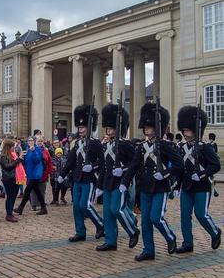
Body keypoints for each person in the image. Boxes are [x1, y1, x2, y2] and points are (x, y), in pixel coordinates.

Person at [120, 102, 183, 261]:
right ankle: (148, 250)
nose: (146, 128)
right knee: (146, 221)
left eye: (149, 126)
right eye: (145, 126)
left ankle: (170, 237)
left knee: (156, 217)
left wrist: (165, 174)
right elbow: (134, 166)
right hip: (145, 187)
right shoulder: (141, 147)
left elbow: (179, 165)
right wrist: (124, 182)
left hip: (160, 187)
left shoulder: (166, 146)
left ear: (157, 127)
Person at [176, 106, 221, 253]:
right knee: (184, 216)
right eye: (184, 130)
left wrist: (202, 174)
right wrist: (177, 186)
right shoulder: (181, 148)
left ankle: (215, 232)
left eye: (188, 130)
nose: (185, 132)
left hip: (202, 186)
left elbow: (215, 165)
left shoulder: (205, 147)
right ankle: (187, 243)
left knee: (201, 215)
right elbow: (180, 169)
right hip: (187, 186)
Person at [95, 103, 139, 252]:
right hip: (108, 182)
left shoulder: (125, 145)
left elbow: (135, 163)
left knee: (116, 209)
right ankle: (110, 241)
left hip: (120, 182)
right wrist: (99, 186)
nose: (108, 130)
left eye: (111, 128)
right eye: (107, 128)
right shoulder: (106, 146)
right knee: (107, 213)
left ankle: (133, 230)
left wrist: (124, 170)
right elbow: (104, 167)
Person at [58, 105, 104, 242]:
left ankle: (100, 225)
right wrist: (62, 174)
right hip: (77, 178)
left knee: (85, 205)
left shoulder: (95, 143)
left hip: (89, 179)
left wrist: (93, 166)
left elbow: (102, 162)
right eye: (79, 128)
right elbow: (71, 161)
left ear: (89, 128)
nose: (81, 130)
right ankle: (80, 232)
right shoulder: (77, 143)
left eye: (83, 127)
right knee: (76, 207)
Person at [13, 136, 48, 215]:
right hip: (30, 174)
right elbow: (26, 163)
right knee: (37, 191)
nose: (30, 142)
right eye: (28, 140)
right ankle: (43, 208)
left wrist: (34, 151)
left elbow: (38, 159)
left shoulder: (37, 149)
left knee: (27, 191)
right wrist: (21, 157)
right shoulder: (28, 150)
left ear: (34, 141)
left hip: (35, 175)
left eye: (31, 140)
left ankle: (20, 208)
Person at [0, 138, 25, 222]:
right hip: (8, 179)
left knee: (14, 196)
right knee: (10, 197)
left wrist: (20, 159)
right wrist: (19, 160)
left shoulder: (13, 154)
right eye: (12, 147)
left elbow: (17, 165)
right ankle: (9, 215)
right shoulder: (3, 156)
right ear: (8, 147)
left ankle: (10, 212)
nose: (13, 148)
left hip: (15, 178)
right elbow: (7, 167)